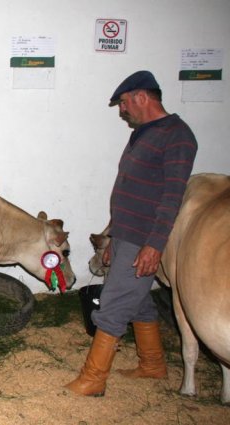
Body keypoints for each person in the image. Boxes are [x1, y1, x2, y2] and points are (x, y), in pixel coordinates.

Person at [65, 70, 198, 396]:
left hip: (144, 237)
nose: (122, 110)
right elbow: (129, 190)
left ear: (142, 97)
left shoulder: (177, 135)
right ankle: (152, 365)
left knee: (114, 302)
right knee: (136, 299)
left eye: (124, 103)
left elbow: (172, 197)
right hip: (127, 233)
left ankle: (93, 379)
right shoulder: (143, 133)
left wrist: (154, 245)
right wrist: (113, 237)